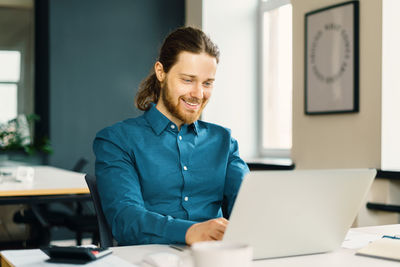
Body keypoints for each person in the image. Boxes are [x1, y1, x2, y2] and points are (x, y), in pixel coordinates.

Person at [93, 27, 249, 246]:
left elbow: (251, 208)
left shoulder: (224, 141)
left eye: (207, 83)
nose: (198, 94)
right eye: (187, 80)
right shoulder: (117, 140)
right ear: (161, 72)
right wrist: (190, 231)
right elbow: (126, 219)